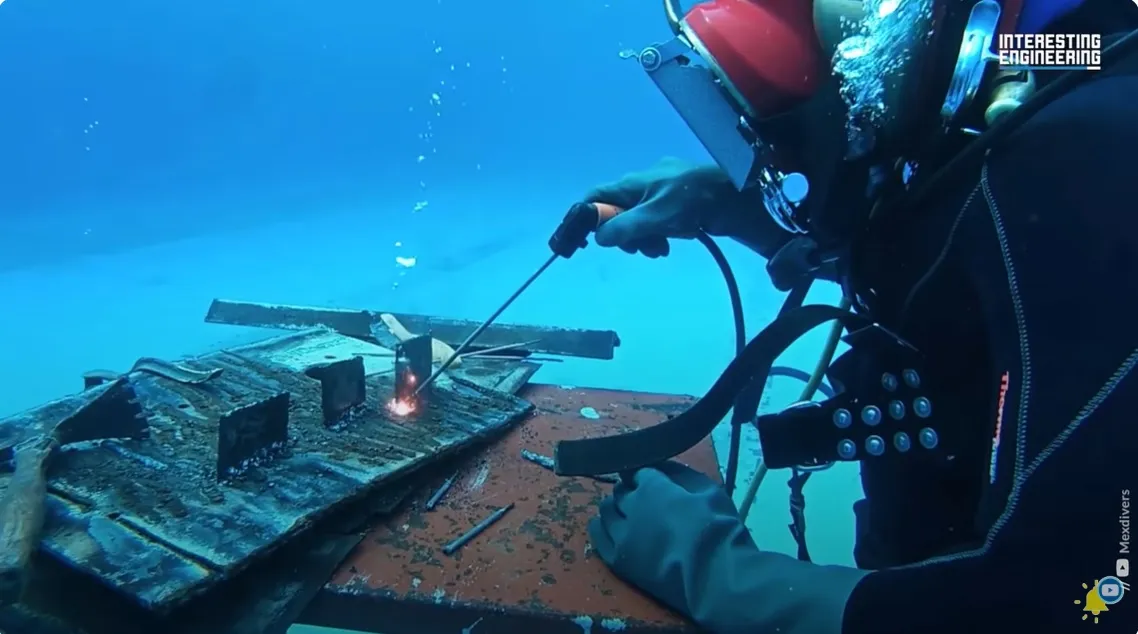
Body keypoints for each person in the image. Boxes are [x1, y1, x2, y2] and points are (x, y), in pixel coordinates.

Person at [577, 0, 1138, 632]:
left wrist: (719, 577)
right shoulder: (1046, 79)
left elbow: (1086, 600)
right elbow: (960, 272)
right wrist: (744, 209)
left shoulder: (1088, 157)